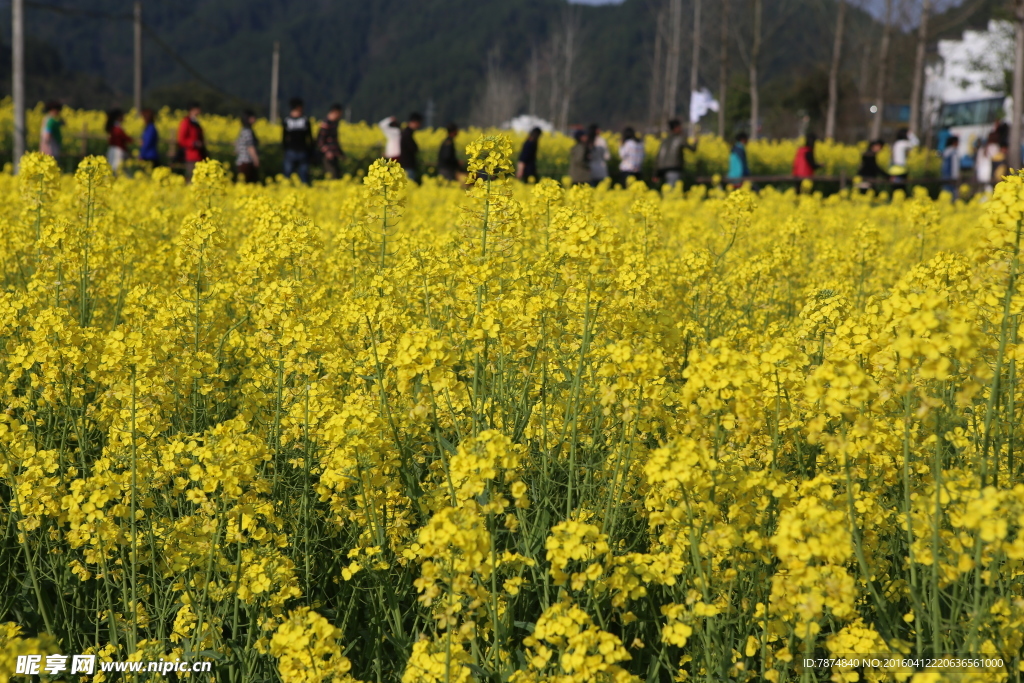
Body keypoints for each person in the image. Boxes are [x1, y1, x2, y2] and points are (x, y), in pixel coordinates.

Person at [654, 118, 695, 189]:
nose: (681, 129)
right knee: (672, 190)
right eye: (680, 127)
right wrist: (695, 142)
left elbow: (658, 157)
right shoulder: (680, 138)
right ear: (676, 128)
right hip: (674, 169)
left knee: (667, 189)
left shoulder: (665, 140)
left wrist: (655, 174)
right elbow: (692, 149)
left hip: (662, 170)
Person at [282, 97, 313, 184]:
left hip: (296, 151)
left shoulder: (288, 120)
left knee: (294, 174)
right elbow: (309, 137)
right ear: (298, 107)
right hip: (297, 151)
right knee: (298, 174)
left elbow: (284, 138)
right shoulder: (304, 120)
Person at [176, 101, 207, 182]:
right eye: (197, 109)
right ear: (192, 110)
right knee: (191, 179)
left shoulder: (196, 122)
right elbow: (181, 140)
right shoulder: (186, 122)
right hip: (190, 155)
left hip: (199, 155)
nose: (199, 111)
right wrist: (194, 143)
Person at [317, 103, 346, 179]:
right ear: (335, 112)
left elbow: (334, 141)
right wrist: (327, 151)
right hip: (328, 155)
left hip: (334, 154)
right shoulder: (326, 124)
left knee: (337, 175)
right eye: (340, 114)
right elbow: (320, 140)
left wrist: (340, 153)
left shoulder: (334, 123)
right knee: (332, 175)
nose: (340, 116)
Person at [235, 110, 260, 183]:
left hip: (241, 161)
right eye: (253, 117)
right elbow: (250, 147)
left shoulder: (243, 130)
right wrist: (256, 160)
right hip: (247, 162)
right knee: (249, 183)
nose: (255, 119)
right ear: (248, 119)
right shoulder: (248, 132)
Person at [105, 109, 132, 174]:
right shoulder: (117, 128)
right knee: (117, 169)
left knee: (113, 168)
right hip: (117, 151)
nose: (123, 117)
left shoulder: (114, 127)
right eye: (122, 116)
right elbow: (124, 137)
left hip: (112, 149)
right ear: (118, 117)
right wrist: (132, 140)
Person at [399, 112, 422, 182]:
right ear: (414, 122)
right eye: (419, 123)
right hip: (408, 164)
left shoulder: (406, 132)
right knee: (409, 182)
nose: (419, 125)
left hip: (407, 164)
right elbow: (413, 148)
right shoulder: (407, 133)